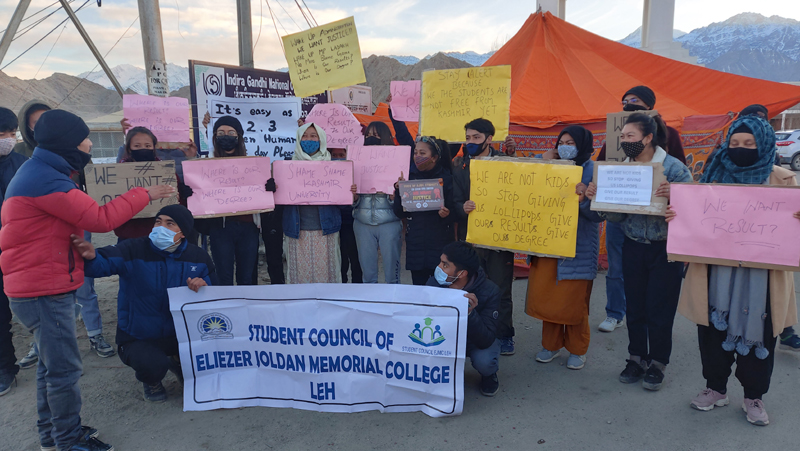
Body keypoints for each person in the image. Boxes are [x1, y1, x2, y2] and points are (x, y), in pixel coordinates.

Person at [0, 109, 175, 451]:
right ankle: (68, 439)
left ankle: (52, 434)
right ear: (68, 142)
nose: (89, 144)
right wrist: (145, 193)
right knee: (64, 370)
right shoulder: (45, 178)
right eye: (84, 138)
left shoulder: (40, 170)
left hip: (37, 283)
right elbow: (100, 217)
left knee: (50, 367)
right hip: (44, 288)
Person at [670, 115, 798, 426]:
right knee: (712, 331)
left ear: (764, 144)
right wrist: (677, 216)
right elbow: (694, 218)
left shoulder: (783, 180)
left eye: (749, 143)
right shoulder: (713, 177)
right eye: (735, 143)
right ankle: (715, 388)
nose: (740, 149)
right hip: (716, 273)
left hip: (763, 277)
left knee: (762, 333)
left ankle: (754, 397)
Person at [585, 113, 692, 391]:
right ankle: (636, 358)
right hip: (632, 245)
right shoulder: (622, 170)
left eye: (630, 136)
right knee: (635, 306)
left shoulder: (674, 169)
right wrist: (598, 196)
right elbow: (616, 217)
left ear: (647, 138)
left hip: (666, 250)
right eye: (622, 137)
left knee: (660, 308)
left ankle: (658, 363)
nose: (624, 141)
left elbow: (695, 213)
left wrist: (676, 196)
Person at [76, 205, 216, 403]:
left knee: (207, 358)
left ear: (183, 232)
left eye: (170, 223)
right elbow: (104, 263)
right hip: (138, 335)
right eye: (158, 222)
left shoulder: (198, 258)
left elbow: (216, 292)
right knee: (152, 364)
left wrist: (204, 285)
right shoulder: (133, 249)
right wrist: (91, 257)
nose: (160, 227)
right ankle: (152, 380)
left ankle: (177, 360)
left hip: (181, 333)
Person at [597, 85, 686, 334]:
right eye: (624, 100)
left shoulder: (670, 134)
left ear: (650, 105)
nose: (628, 104)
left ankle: (653, 327)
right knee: (617, 267)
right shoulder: (617, 135)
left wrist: (671, 192)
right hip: (622, 215)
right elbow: (602, 166)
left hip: (657, 222)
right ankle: (615, 313)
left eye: (634, 100)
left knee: (654, 282)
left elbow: (682, 178)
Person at [526, 126, 603, 370]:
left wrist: (584, 200)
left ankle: (578, 349)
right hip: (548, 243)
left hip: (577, 249)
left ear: (582, 145)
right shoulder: (550, 165)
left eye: (570, 142)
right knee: (549, 298)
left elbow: (600, 214)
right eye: (561, 142)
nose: (564, 146)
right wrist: (540, 160)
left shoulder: (593, 171)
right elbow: (526, 184)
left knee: (574, 301)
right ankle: (550, 345)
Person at [452, 118, 516, 355]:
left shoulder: (506, 162)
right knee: (472, 285)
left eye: (476, 138)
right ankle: (475, 334)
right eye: (468, 138)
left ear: (489, 139)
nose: (470, 142)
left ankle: (505, 334)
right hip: (473, 238)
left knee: (501, 287)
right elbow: (455, 201)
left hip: (501, 238)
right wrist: (462, 208)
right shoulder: (460, 165)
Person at [191, 116, 260, 286]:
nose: (226, 136)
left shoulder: (254, 166)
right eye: (221, 133)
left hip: (248, 228)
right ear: (214, 137)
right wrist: (191, 190)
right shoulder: (205, 167)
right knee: (224, 277)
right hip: (220, 229)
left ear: (239, 137)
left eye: (231, 133)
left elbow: (262, 196)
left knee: (247, 277)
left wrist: (268, 187)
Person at [427, 241, 502, 396]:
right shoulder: (435, 283)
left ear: (462, 274)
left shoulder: (490, 291)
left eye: (445, 265)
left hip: (473, 341)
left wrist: (470, 313)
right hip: (444, 338)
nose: (439, 268)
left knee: (485, 361)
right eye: (440, 262)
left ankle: (489, 375)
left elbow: (487, 338)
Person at [282, 123, 349, 283]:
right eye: (304, 136)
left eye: (313, 136)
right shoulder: (286, 166)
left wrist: (348, 191)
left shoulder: (333, 166)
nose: (309, 139)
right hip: (297, 230)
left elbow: (342, 202)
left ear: (321, 139)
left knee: (326, 277)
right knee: (300, 278)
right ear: (298, 139)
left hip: (326, 229)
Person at [393, 136, 454, 285]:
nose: (417, 157)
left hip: (439, 244)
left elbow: (456, 213)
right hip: (416, 244)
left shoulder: (447, 179)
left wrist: (446, 215)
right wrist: (399, 193)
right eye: (415, 153)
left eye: (422, 153)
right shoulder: (408, 179)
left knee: (440, 289)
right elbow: (400, 213)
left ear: (434, 158)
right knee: (419, 290)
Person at [351, 121, 403, 283]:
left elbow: (403, 202)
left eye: (376, 135)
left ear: (386, 137)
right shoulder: (356, 161)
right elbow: (352, 200)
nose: (371, 138)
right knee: (368, 274)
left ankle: (393, 303)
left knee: (391, 273)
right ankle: (370, 303)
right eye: (368, 135)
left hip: (389, 222)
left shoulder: (397, 161)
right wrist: (353, 196)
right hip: (362, 221)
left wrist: (396, 195)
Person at [0, 107, 27, 396]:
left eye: (11, 134)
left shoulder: (23, 164)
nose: (8, 139)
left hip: (22, 252)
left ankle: (44, 356)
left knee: (35, 310)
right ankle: (5, 368)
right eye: (1, 134)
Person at [330, 147, 362, 283]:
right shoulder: (326, 173)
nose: (338, 158)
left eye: (341, 155)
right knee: (340, 260)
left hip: (353, 221)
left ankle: (357, 288)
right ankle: (341, 287)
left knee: (356, 259)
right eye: (334, 155)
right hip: (334, 222)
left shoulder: (357, 172)